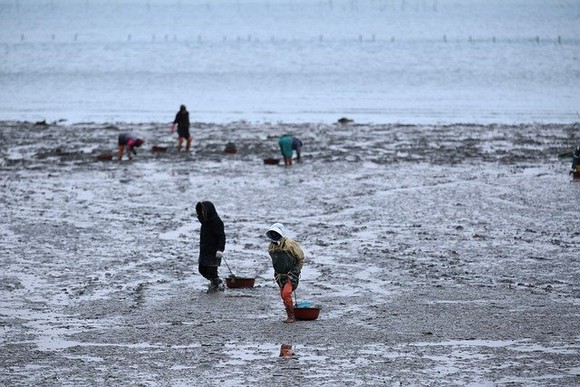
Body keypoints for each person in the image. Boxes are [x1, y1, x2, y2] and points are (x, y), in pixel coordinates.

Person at [266, 223, 305, 323]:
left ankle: (291, 316)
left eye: (276, 233)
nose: (274, 236)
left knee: (286, 293)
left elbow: (300, 258)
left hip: (291, 274)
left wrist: (296, 271)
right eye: (273, 234)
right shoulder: (271, 247)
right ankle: (289, 313)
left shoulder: (290, 244)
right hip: (279, 275)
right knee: (283, 295)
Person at [196, 201, 226, 293]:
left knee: (212, 269)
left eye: (203, 211)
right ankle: (216, 281)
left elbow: (222, 236)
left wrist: (220, 249)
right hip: (204, 250)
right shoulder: (204, 222)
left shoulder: (217, 222)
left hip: (214, 251)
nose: (202, 213)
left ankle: (215, 284)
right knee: (202, 269)